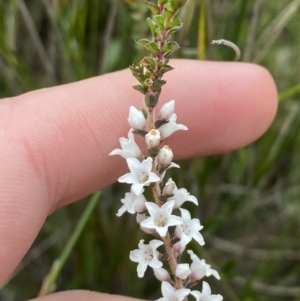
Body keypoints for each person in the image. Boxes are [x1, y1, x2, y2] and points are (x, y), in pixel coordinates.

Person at [0, 60, 277, 301]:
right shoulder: (150, 197)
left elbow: (164, 212)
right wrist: (148, 202)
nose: (160, 222)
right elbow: (151, 198)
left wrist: (167, 215)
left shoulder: (165, 215)